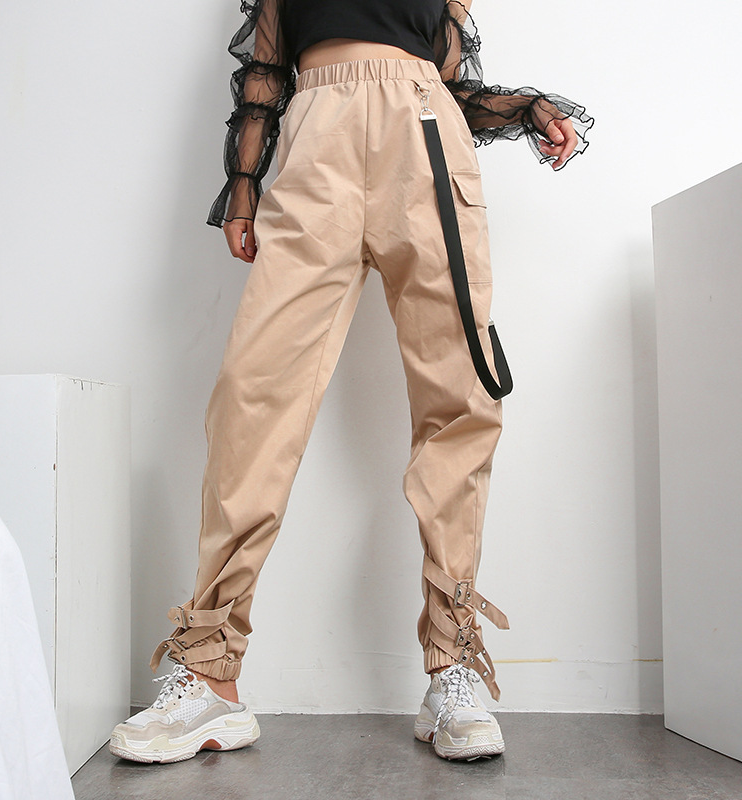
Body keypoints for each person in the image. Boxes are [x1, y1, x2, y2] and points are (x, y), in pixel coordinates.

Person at [110, 0, 594, 765]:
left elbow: (448, 81)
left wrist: (528, 106)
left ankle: (452, 665)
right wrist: (243, 180)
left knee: (458, 398)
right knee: (253, 396)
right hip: (316, 143)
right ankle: (209, 672)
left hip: (424, 138)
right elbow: (265, 68)